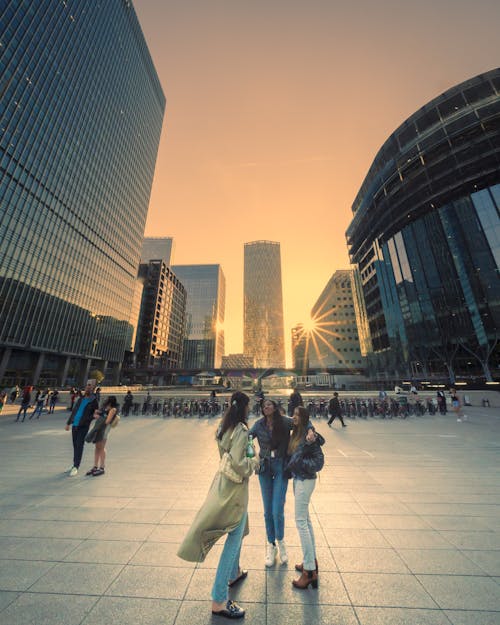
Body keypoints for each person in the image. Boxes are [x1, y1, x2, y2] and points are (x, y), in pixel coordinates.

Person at [178, 391, 259, 620]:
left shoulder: (223, 428)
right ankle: (219, 599)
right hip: (235, 492)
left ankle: (234, 573)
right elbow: (241, 465)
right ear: (244, 407)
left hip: (223, 485)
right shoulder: (242, 431)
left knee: (240, 530)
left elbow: (225, 457)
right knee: (233, 541)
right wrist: (255, 461)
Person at [286, 406, 325, 590]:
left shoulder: (310, 436)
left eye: (297, 415)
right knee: (306, 521)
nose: (293, 417)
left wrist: (300, 464)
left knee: (300, 521)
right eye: (292, 414)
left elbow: (318, 461)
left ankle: (309, 572)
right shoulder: (298, 431)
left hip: (305, 480)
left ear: (304, 418)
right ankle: (310, 561)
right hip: (298, 479)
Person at [65, 381, 99, 476]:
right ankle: (74, 464)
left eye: (89, 386)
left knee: (79, 445)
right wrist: (68, 423)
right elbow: (75, 411)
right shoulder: (81, 399)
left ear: (93, 388)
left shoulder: (94, 401)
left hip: (83, 426)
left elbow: (96, 414)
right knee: (75, 445)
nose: (87, 387)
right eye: (87, 385)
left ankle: (76, 466)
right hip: (75, 425)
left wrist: (89, 419)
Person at [85, 396, 118, 476]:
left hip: (105, 429)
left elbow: (107, 421)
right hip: (99, 428)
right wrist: (96, 413)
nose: (105, 400)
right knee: (97, 447)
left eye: (107, 399)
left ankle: (102, 467)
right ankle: (95, 466)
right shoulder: (105, 408)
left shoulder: (113, 409)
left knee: (101, 447)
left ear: (110, 401)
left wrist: (99, 417)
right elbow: (99, 414)